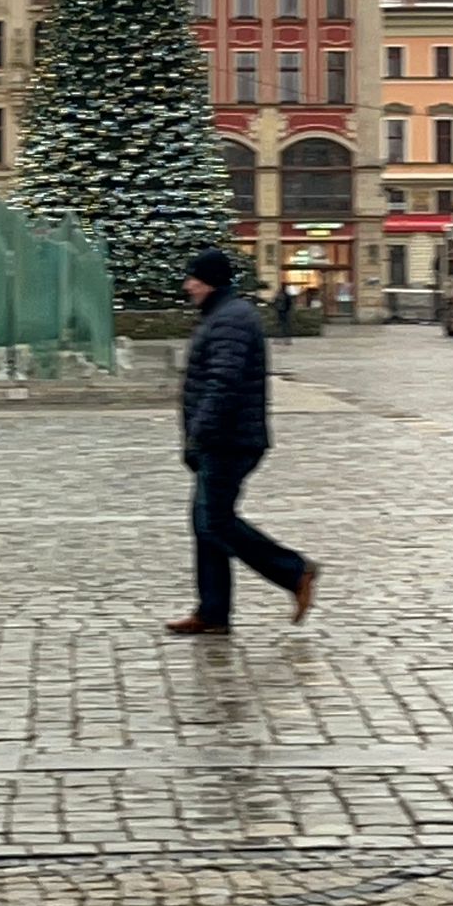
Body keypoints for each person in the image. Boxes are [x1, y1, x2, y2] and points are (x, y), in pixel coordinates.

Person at [168, 248, 319, 637]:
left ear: (211, 281)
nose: (188, 286)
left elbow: (224, 383)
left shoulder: (230, 320)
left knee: (214, 521)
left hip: (229, 440)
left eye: (194, 279)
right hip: (223, 438)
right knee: (206, 524)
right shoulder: (222, 316)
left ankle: (294, 571)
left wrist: (199, 434)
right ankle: (213, 612)